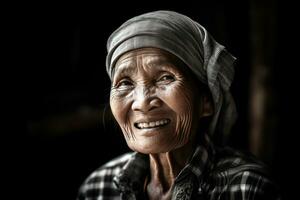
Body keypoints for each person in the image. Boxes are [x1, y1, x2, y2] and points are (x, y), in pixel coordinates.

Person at [77, 10, 280, 200]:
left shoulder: (248, 189)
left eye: (165, 78)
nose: (142, 103)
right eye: (125, 83)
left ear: (206, 100)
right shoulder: (98, 188)